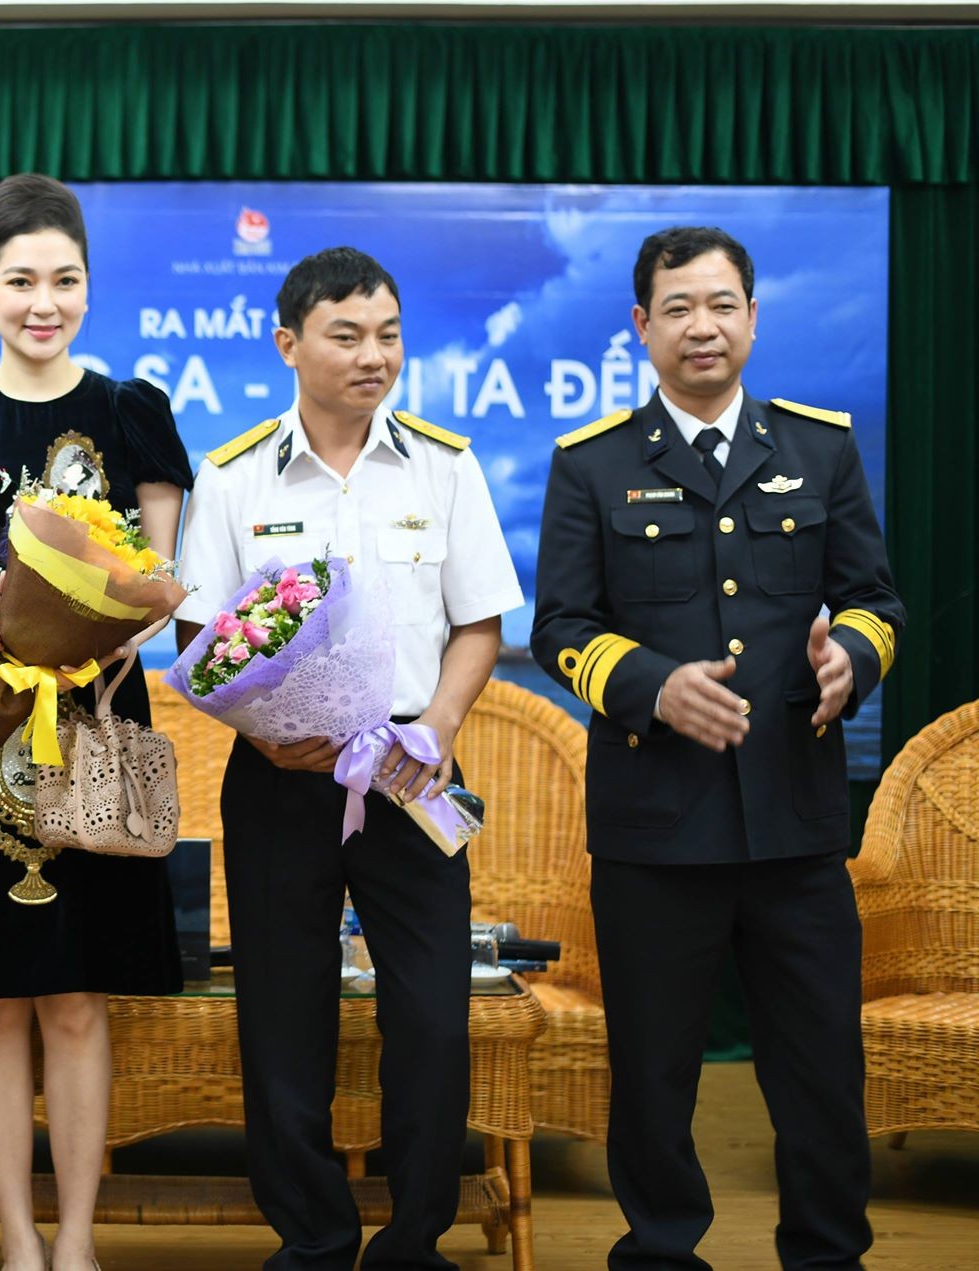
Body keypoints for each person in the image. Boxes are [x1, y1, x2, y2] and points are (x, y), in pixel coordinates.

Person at [531, 225, 902, 1271]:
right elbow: (560, 626)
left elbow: (874, 602)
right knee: (653, 1076)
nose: (703, 326)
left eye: (722, 304)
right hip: (653, 825)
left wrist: (849, 662)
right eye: (678, 308)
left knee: (821, 1071)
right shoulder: (591, 463)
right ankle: (658, 1252)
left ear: (752, 317)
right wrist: (652, 685)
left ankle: (826, 1253)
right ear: (641, 325)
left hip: (794, 820)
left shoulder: (818, 449)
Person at [175, 247, 522, 1271]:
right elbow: (199, 639)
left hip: (409, 767)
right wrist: (264, 733)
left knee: (432, 1015)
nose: (373, 355)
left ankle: (413, 1241)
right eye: (346, 335)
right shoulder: (233, 475)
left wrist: (440, 726)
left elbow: (479, 623)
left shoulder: (442, 466)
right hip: (280, 775)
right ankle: (313, 1238)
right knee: (283, 1017)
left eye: (388, 335)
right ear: (288, 344)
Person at [0, 173, 193, 1271]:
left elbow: (161, 582)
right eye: (19, 281)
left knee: (76, 1000)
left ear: (89, 286)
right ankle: (16, 1240)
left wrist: (104, 632)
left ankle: (77, 1239)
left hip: (91, 721)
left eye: (63, 279)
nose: (41, 302)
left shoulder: (131, 414)